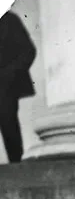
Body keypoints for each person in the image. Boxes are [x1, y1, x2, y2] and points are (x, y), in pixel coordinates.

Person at [0, 10, 36, 164]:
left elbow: (28, 51)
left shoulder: (9, 20)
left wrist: (9, 74)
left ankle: (16, 166)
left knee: (8, 124)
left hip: (5, 86)